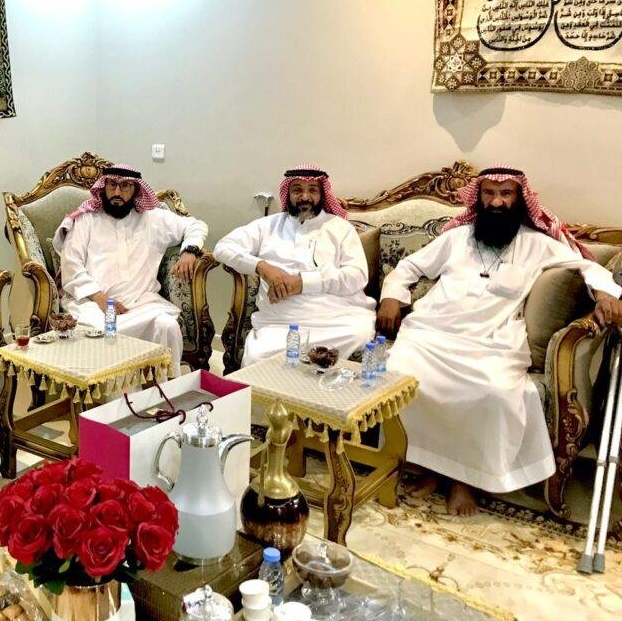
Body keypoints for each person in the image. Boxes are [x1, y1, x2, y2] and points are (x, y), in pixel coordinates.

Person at [377, 166, 622, 515]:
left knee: (494, 391)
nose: (496, 202)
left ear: (519, 199)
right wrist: (391, 297)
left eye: (506, 194)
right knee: (401, 374)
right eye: (489, 194)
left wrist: (604, 294)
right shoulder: (456, 238)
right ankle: (431, 468)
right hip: (432, 331)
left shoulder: (536, 244)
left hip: (491, 338)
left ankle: (464, 481)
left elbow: (587, 266)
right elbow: (409, 267)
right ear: (478, 198)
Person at [52, 165, 208, 377]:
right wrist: (100, 297)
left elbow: (196, 225)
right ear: (103, 187)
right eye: (112, 185)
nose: (117, 192)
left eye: (125, 186)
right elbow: (71, 264)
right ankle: (121, 393)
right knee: (108, 333)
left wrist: (189, 251)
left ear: (136, 190)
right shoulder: (86, 219)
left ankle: (166, 389)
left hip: (142, 302)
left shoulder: (154, 219)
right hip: (98, 304)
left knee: (168, 326)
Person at [213, 165, 375, 367]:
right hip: (279, 321)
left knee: (359, 333)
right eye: (297, 190)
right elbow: (223, 247)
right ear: (287, 194)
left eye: (312, 190)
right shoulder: (268, 226)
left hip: (334, 319)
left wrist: (302, 283)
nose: (304, 197)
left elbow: (357, 275)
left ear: (322, 194)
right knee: (256, 358)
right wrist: (263, 268)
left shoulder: (340, 228)